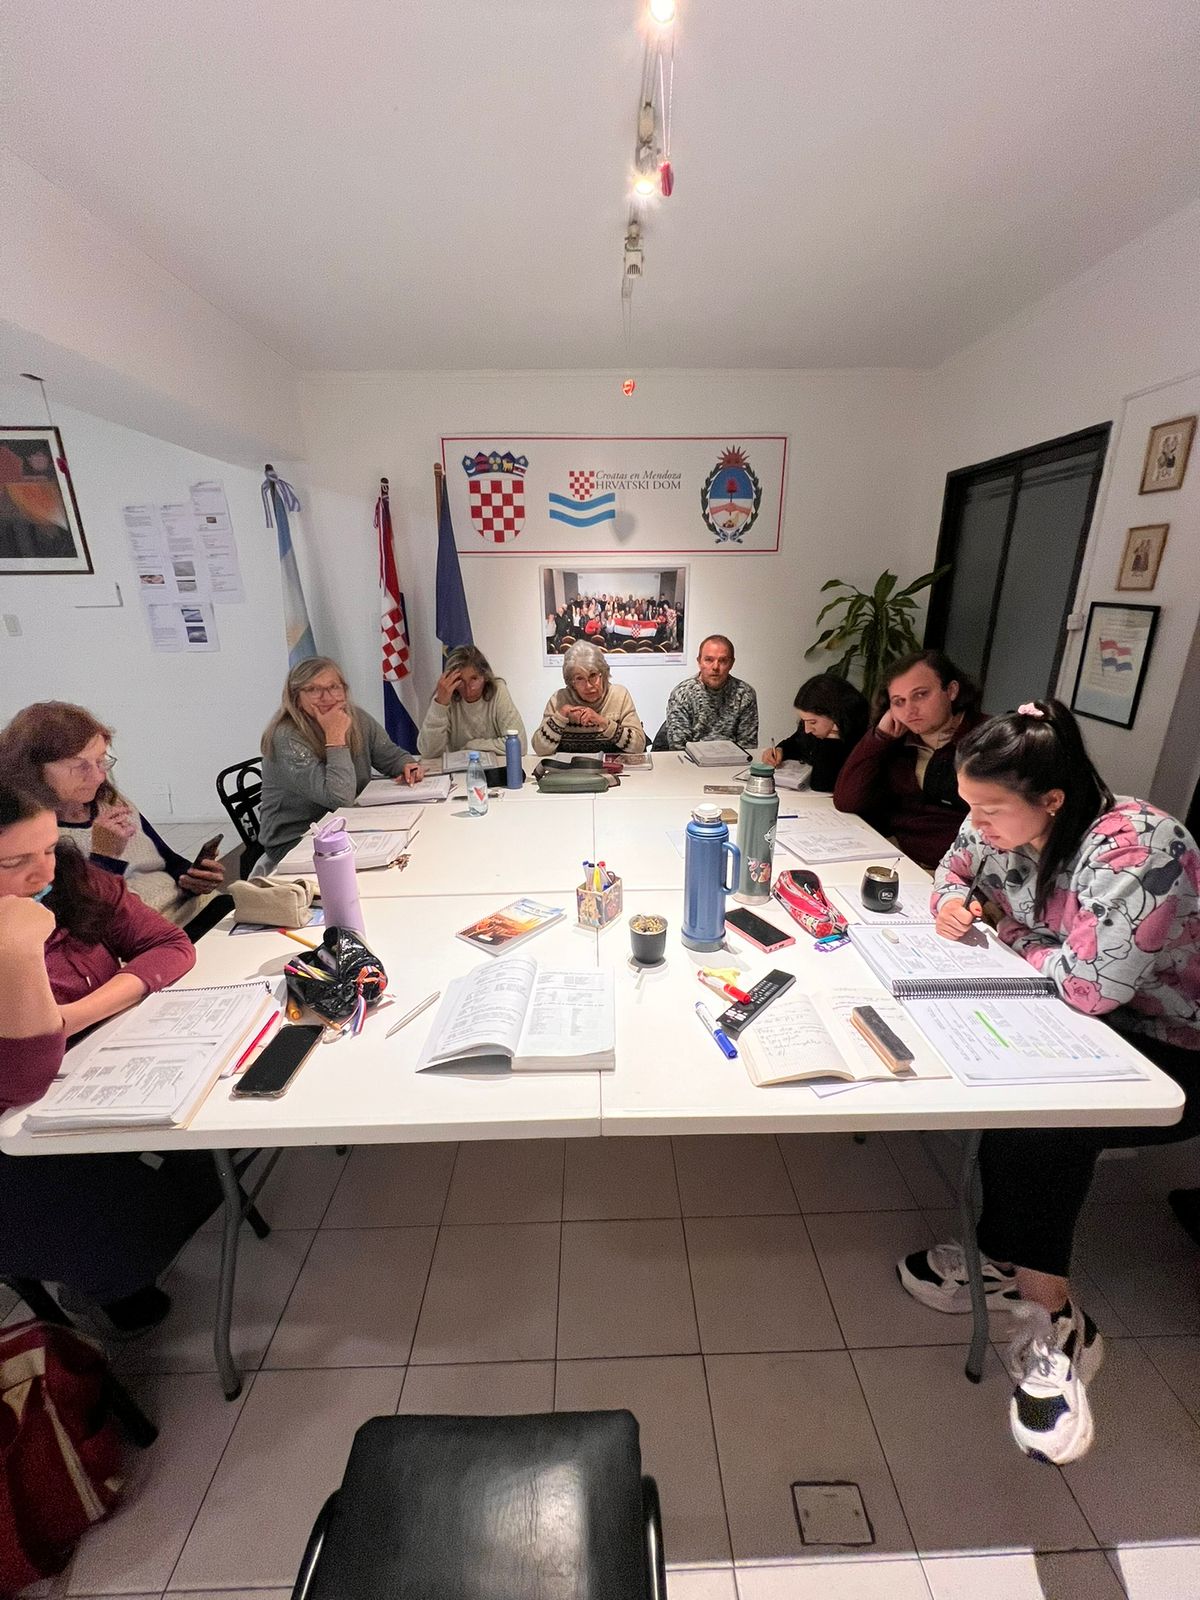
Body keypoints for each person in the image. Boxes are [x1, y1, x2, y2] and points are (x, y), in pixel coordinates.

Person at [898, 699, 1200, 1465]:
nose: (976, 824)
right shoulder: (997, 815)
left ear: (1053, 800)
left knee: (1047, 1112)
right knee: (1007, 1086)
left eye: (989, 811)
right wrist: (951, 904)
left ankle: (1053, 1321)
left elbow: (1090, 987)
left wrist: (1003, 929)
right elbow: (953, 869)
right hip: (1078, 1013)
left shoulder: (1139, 848)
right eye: (969, 806)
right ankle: (1003, 1258)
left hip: (1173, 1042)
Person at [0, 782, 222, 1334]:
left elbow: (169, 944)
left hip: (92, 1071)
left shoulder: (70, 878)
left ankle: (118, 1273)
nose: (43, 873)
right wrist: (18, 952)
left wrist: (75, 1017)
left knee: (210, 1157)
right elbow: (23, 1081)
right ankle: (110, 1290)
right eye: (14, 862)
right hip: (16, 1131)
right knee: (123, 1230)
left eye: (47, 848)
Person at [0, 701, 226, 925]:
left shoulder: (108, 801)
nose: (98, 776)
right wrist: (104, 856)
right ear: (32, 770)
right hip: (155, 931)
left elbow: (164, 860)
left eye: (101, 761)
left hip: (197, 908)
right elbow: (77, 917)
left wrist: (193, 878)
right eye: (79, 766)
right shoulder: (34, 835)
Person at [258, 656, 423, 870]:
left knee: (415, 846)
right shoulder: (286, 737)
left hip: (347, 824)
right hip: (295, 840)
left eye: (334, 687)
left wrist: (407, 765)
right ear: (296, 697)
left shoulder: (356, 717)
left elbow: (390, 755)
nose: (327, 697)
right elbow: (339, 798)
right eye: (313, 689)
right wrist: (335, 738)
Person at [833, 648, 987, 868]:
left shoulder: (989, 738)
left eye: (920, 695)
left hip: (957, 870)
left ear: (951, 690)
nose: (910, 710)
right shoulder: (898, 740)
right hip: (897, 856)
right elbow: (847, 800)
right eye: (899, 701)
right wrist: (879, 737)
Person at [531, 641, 647, 755]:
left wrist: (603, 722)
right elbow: (540, 749)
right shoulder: (559, 699)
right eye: (580, 678)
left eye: (593, 675)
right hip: (571, 767)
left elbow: (639, 746)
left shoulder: (619, 695)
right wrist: (561, 716)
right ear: (571, 682)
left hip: (611, 767)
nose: (588, 686)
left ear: (603, 674)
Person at [760, 674, 869, 793]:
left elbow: (822, 784)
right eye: (803, 721)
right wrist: (781, 750)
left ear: (835, 715)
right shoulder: (814, 728)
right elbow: (797, 742)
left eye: (812, 722)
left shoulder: (861, 740)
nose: (807, 729)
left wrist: (832, 737)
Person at [416, 646, 527, 761]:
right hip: (458, 768)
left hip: (496, 767)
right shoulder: (446, 695)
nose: (468, 689)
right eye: (460, 681)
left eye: (474, 679)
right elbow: (428, 752)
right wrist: (440, 705)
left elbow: (519, 745)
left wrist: (473, 746)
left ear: (485, 676)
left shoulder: (497, 690)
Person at [663, 635, 758, 750]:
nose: (715, 667)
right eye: (709, 660)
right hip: (691, 760)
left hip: (735, 759)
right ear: (699, 662)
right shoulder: (682, 694)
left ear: (731, 664)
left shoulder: (744, 694)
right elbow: (679, 748)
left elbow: (748, 747)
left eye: (723, 661)